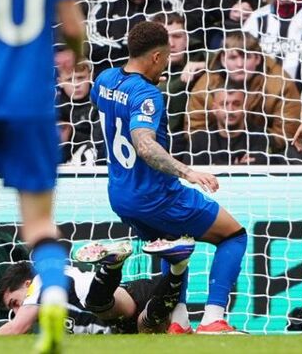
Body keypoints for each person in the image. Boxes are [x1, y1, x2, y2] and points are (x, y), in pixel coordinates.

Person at [0, 0, 85, 352]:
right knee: (38, 222)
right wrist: (76, 53)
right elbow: (72, 25)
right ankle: (53, 295)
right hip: (31, 103)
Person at [91, 21, 247, 334]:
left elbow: (104, 105)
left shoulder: (104, 79)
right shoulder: (147, 94)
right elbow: (144, 145)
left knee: (174, 244)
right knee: (233, 236)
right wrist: (188, 172)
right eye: (165, 57)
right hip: (156, 195)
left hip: (120, 195)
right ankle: (213, 318)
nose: (166, 64)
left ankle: (178, 321)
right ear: (156, 57)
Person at [186, 32, 302, 154]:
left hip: (267, 151)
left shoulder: (280, 84)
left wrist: (255, 152)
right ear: (223, 59)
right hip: (216, 151)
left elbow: (287, 132)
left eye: (246, 57)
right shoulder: (206, 85)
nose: (240, 64)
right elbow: (194, 129)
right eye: (233, 58)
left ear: (257, 59)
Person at [88, 0, 183, 76]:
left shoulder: (171, 5)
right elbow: (91, 43)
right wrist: (134, 50)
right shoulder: (104, 7)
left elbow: (175, 43)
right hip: (112, 75)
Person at [75, 239, 194, 334]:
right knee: (97, 305)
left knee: (147, 325)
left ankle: (177, 268)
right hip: (141, 297)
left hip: (140, 300)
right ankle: (111, 267)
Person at [0, 262, 110, 336]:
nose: (17, 312)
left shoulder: (40, 281)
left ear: (28, 284)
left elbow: (15, 328)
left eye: (15, 303)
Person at [177, 86, 271, 165]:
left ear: (245, 108)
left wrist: (216, 165)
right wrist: (238, 166)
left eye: (236, 104)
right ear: (214, 109)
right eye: (224, 104)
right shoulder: (199, 140)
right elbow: (191, 174)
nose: (230, 110)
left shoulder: (261, 137)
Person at [57, 60, 106, 166]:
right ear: (60, 82)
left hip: (94, 160)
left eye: (80, 78)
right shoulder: (56, 105)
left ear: (90, 76)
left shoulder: (98, 102)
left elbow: (98, 143)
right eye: (69, 79)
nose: (76, 84)